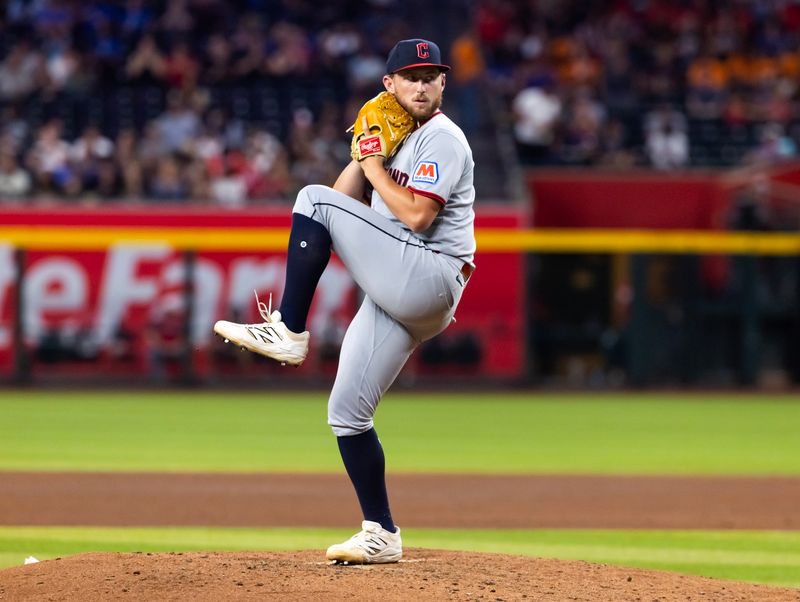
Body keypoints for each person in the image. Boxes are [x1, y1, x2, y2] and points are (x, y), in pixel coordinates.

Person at [213, 38, 476, 564]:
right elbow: (340, 200)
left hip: (430, 273)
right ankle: (381, 532)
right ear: (390, 85)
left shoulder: (444, 138)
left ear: (444, 83)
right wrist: (363, 151)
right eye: (411, 77)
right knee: (347, 413)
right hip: (401, 286)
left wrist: (375, 164)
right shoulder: (395, 134)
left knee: (308, 197)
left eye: (431, 77)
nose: (422, 86)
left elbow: (419, 217)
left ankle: (288, 330)